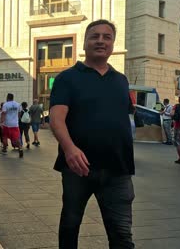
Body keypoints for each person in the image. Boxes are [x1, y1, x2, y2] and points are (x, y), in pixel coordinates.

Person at [49, 19, 135, 248]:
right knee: (70, 224)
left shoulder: (121, 80)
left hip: (118, 168)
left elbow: (121, 119)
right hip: (78, 167)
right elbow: (56, 119)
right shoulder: (67, 78)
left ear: (113, 44)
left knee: (122, 234)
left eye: (107, 37)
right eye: (94, 36)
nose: (100, 41)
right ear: (85, 43)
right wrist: (69, 149)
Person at [0, 93, 23, 158]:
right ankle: (20, 148)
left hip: (7, 124)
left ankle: (4, 149)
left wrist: (1, 122)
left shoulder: (5, 105)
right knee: (16, 137)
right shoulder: (18, 104)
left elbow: (3, 114)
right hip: (15, 124)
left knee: (5, 136)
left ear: (7, 97)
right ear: (13, 97)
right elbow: (19, 113)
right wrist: (16, 119)